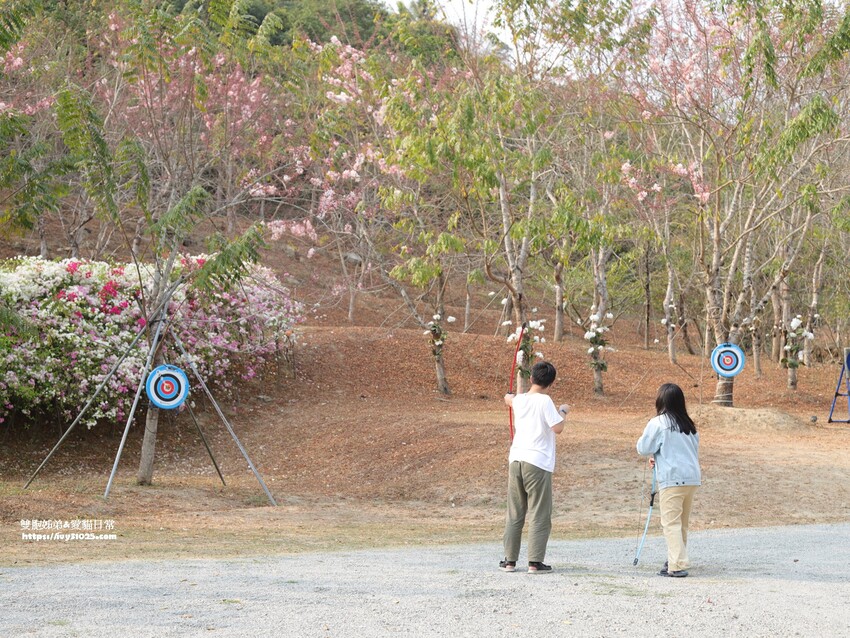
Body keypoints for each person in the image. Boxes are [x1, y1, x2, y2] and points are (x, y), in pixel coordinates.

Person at [500, 361, 570, 574]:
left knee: (515, 512)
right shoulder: (545, 401)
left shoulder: (519, 400)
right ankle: (535, 562)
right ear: (551, 383)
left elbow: (510, 399)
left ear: (531, 378)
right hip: (537, 462)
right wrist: (563, 411)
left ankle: (509, 561)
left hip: (516, 460)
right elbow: (557, 427)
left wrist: (509, 397)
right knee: (539, 512)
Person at [636, 382, 701, 578]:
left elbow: (643, 447)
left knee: (671, 524)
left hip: (672, 479)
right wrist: (658, 457)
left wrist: (656, 455)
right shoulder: (689, 424)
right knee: (681, 524)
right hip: (691, 478)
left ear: (661, 401)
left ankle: (677, 564)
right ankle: (675, 559)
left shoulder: (658, 423)